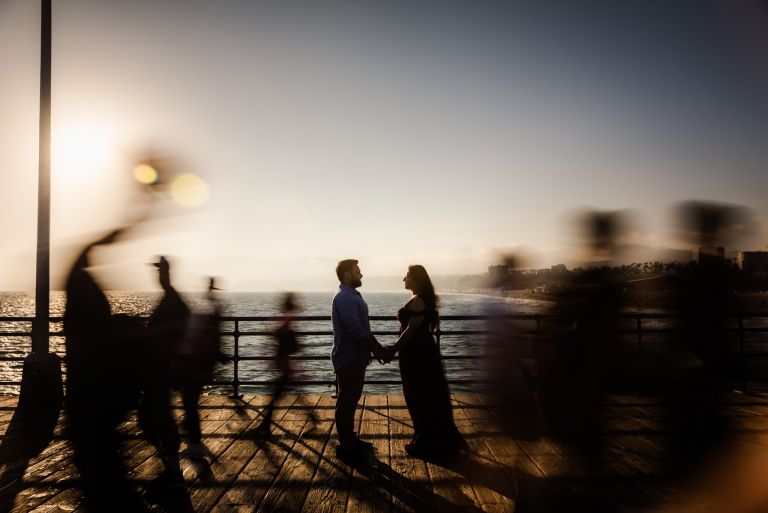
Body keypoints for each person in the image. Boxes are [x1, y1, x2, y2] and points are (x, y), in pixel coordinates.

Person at [382, 265, 466, 458]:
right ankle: (427, 437)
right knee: (419, 394)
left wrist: (392, 350)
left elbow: (410, 331)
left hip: (419, 355)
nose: (403, 279)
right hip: (415, 353)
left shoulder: (419, 301)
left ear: (416, 279)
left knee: (420, 395)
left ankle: (428, 442)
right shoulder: (417, 299)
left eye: (407, 276)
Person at [139, 256, 190, 498]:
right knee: (153, 417)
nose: (157, 275)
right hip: (162, 368)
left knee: (155, 418)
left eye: (160, 270)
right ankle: (170, 471)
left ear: (166, 272)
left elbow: (171, 333)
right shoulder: (173, 299)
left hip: (162, 369)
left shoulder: (172, 300)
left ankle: (173, 474)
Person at [331, 259, 386, 460]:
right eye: (358, 272)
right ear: (347, 275)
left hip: (355, 357)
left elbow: (363, 329)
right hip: (348, 358)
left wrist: (376, 348)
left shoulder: (352, 295)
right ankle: (346, 446)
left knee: (350, 400)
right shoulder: (345, 298)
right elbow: (356, 331)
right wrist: (378, 351)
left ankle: (349, 440)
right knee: (346, 401)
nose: (361, 275)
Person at [250, 292, 316, 436]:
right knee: (295, 396)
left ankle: (264, 427)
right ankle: (314, 421)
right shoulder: (289, 320)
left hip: (286, 366)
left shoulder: (286, 321)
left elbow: (288, 341)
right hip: (287, 366)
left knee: (276, 398)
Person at [177, 277, 226, 458]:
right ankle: (189, 430)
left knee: (190, 402)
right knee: (191, 401)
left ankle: (194, 441)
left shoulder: (203, 317)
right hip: (199, 363)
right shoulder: (212, 316)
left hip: (193, 363)